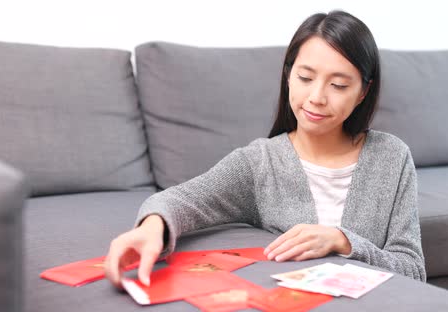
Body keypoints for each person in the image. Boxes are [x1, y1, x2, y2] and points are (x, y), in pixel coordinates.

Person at [104, 10, 426, 289]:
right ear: (288, 76)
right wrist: (151, 228)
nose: (316, 96)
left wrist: (342, 241)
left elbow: (413, 270)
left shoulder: (392, 158)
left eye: (338, 85)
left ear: (362, 92)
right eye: (305, 77)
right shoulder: (259, 163)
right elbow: (182, 199)